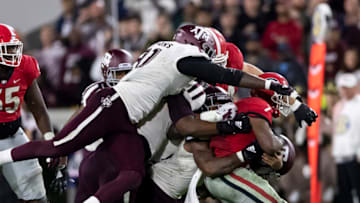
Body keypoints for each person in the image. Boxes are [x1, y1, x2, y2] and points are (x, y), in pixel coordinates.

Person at [0, 24, 294, 203]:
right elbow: (182, 126)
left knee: (135, 176)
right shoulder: (179, 77)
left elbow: (236, 70)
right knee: (73, 151)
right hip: (128, 134)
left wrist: (274, 88)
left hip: (152, 151)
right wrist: (239, 123)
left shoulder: (173, 61)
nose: (212, 69)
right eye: (207, 60)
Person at [0, 23, 55, 203]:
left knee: (35, 193)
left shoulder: (25, 66)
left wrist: (49, 139)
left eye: (15, 48)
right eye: (8, 49)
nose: (13, 53)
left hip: (12, 134)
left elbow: (38, 108)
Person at [331, 73, 360, 203]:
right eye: (343, 88)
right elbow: (337, 130)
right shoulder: (338, 106)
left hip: (355, 155)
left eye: (348, 87)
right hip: (340, 155)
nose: (345, 90)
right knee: (344, 193)